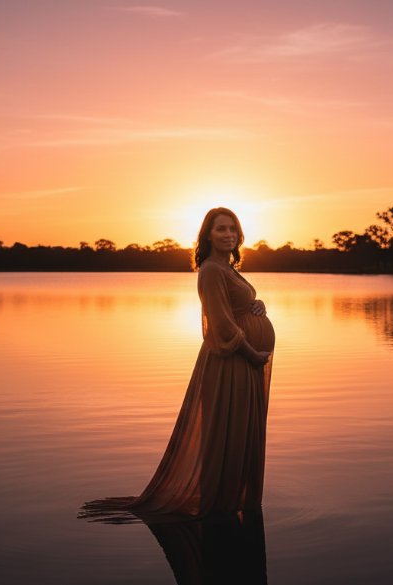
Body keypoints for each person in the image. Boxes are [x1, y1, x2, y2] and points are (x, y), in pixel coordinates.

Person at [80, 207, 275, 521]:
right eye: (221, 229)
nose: (228, 235)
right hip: (233, 363)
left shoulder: (227, 268)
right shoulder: (211, 269)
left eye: (233, 229)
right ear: (207, 235)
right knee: (225, 434)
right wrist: (253, 355)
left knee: (238, 433)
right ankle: (219, 505)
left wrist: (258, 303)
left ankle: (228, 500)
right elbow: (221, 325)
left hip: (245, 362)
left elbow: (234, 307)